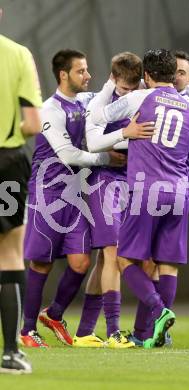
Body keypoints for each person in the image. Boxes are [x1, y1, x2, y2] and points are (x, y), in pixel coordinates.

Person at [89, 48, 189, 348]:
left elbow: (99, 115)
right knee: (167, 264)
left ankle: (159, 310)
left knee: (125, 259)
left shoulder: (140, 98)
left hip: (146, 189)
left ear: (147, 76)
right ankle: (145, 334)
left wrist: (126, 128)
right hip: (181, 191)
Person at [19, 49, 126, 348]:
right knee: (41, 264)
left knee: (80, 263)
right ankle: (27, 330)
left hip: (74, 195)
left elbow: (114, 92)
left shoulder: (84, 101)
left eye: (88, 70)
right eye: (81, 71)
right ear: (63, 74)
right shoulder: (49, 110)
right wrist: (106, 157)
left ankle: (53, 315)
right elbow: (67, 155)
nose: (87, 76)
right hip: (47, 195)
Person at [74, 52, 155, 348]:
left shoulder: (144, 95)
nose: (129, 95)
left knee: (103, 257)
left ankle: (84, 331)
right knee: (113, 253)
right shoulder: (99, 103)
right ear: (113, 79)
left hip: (132, 180)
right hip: (105, 180)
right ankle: (113, 332)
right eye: (124, 89)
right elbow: (92, 142)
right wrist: (127, 134)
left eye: (134, 89)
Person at [0, 8, 42, 374]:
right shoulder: (17, 54)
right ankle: (11, 353)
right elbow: (33, 123)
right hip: (7, 160)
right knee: (10, 254)